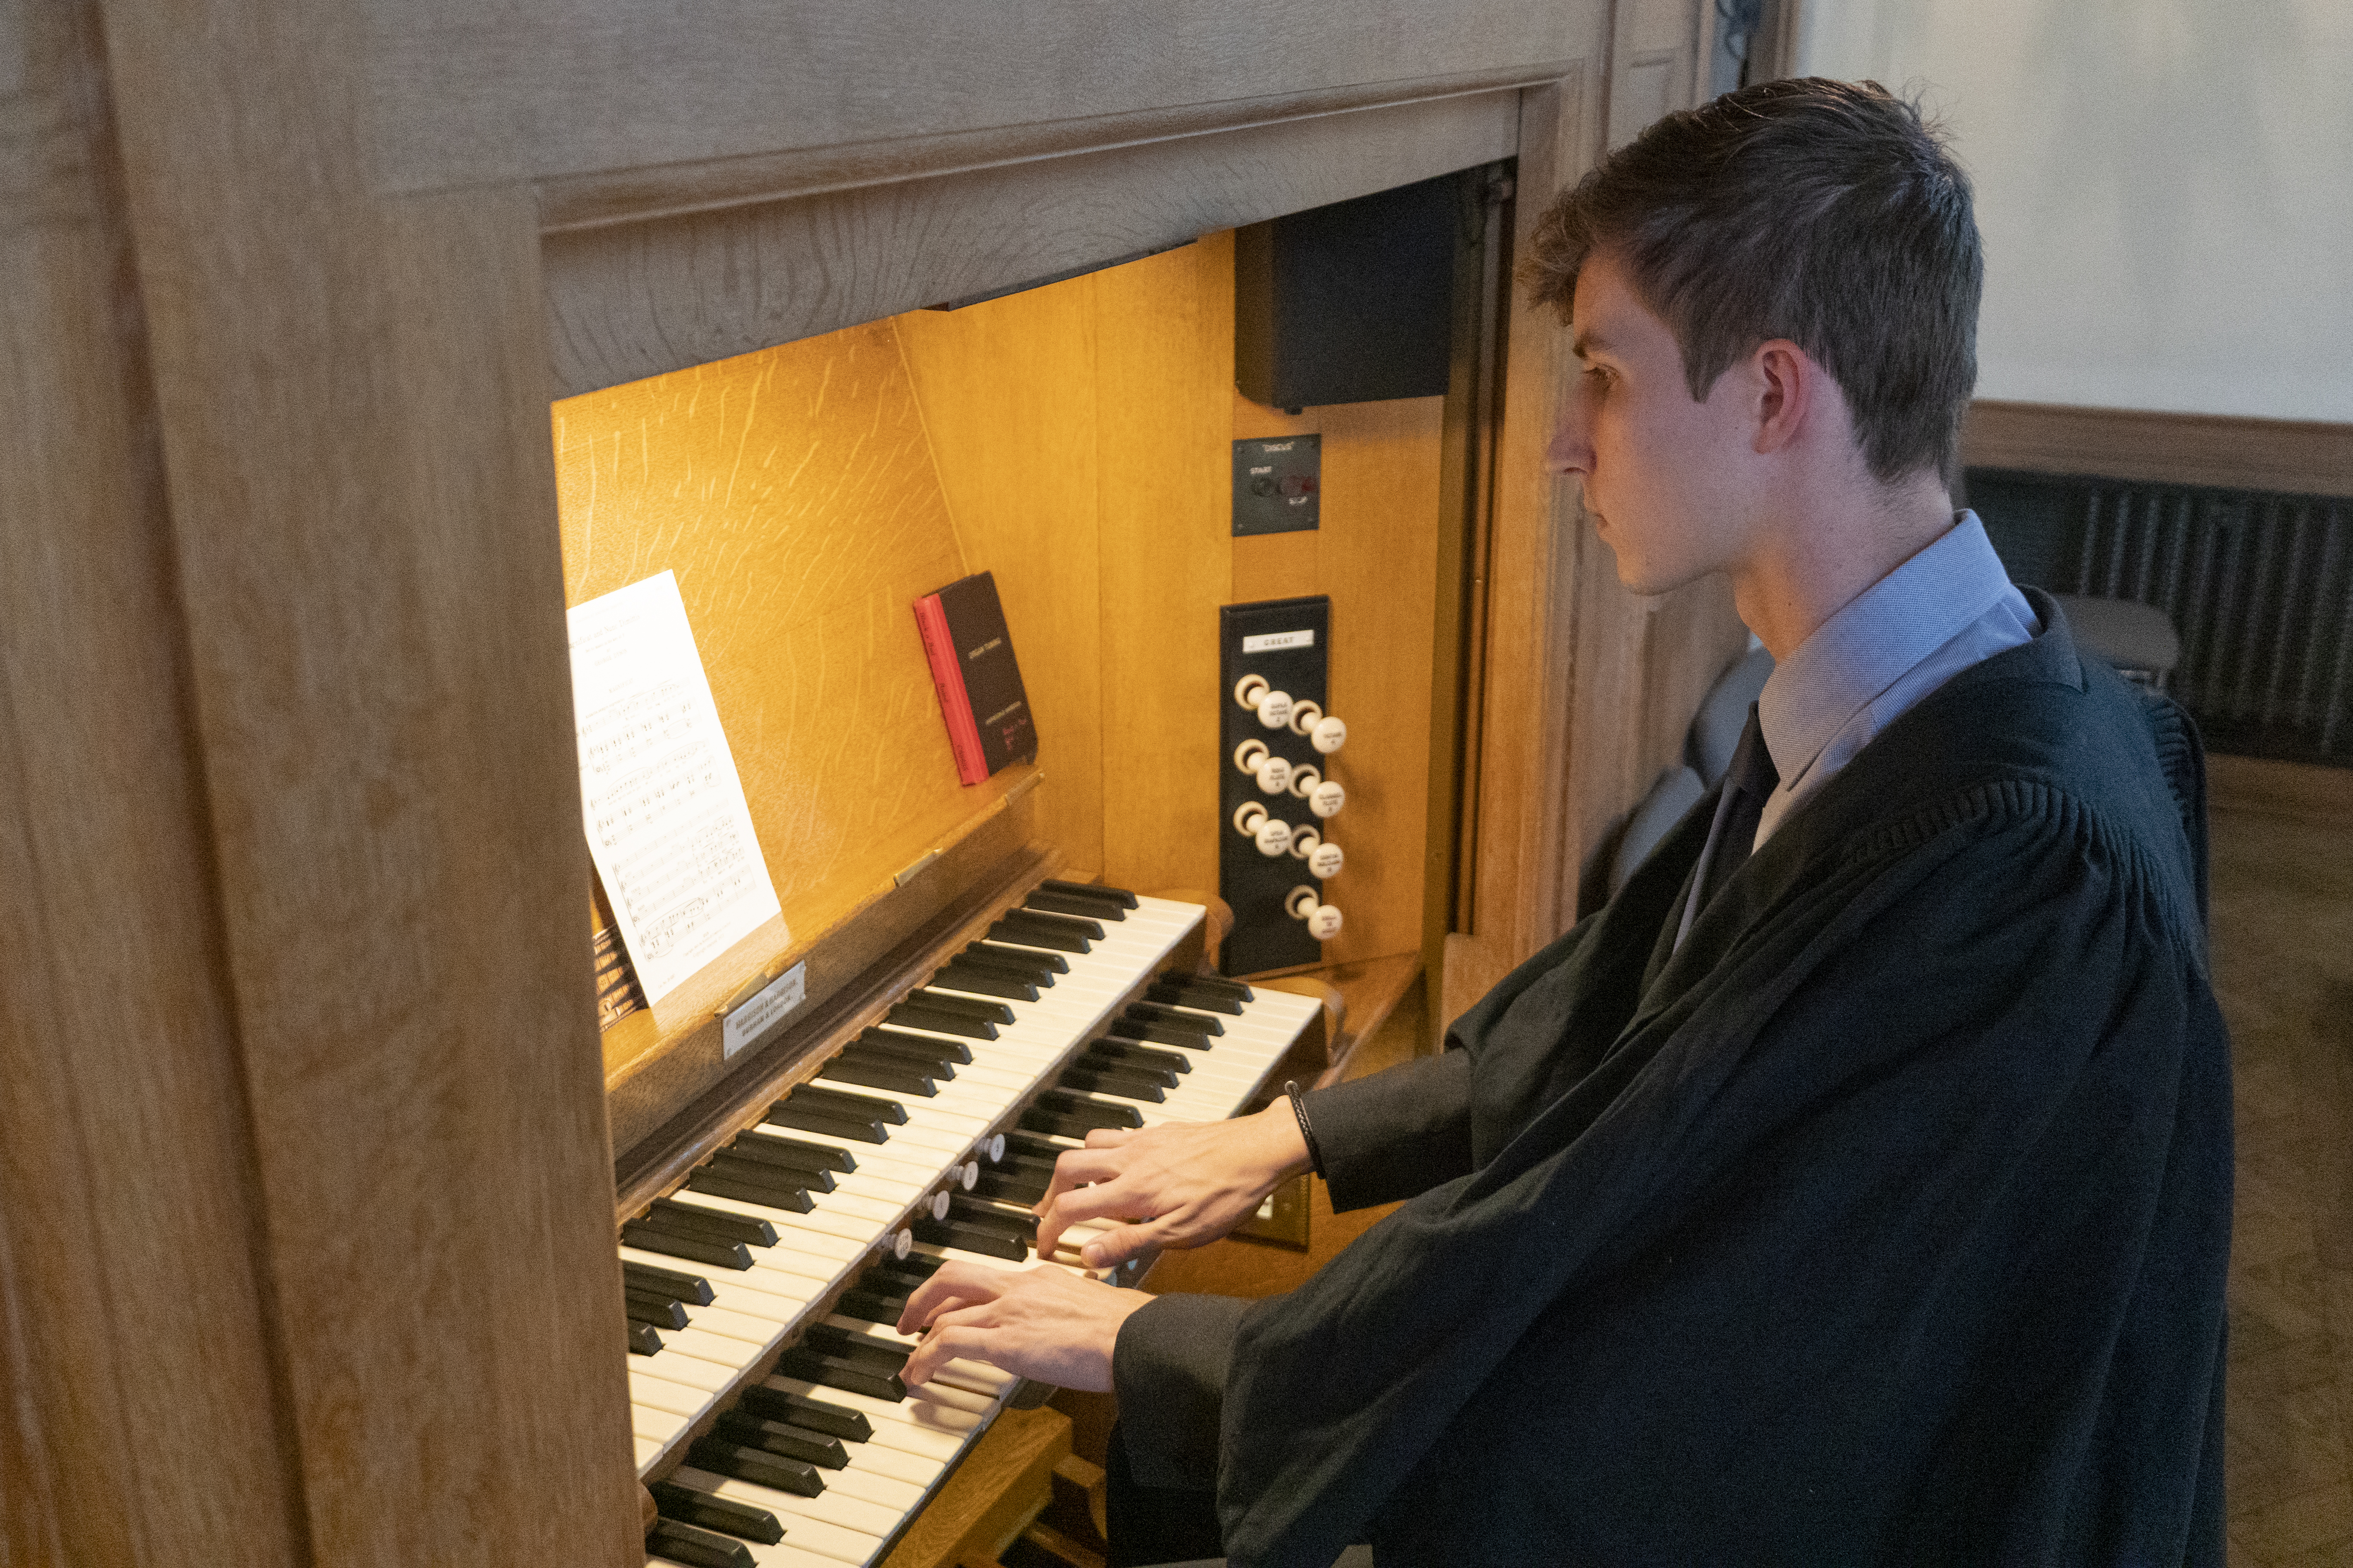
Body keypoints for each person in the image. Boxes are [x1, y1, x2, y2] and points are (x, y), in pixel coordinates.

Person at [898, 78, 2231, 1567]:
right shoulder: (1905, 703)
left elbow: (1687, 1384)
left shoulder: (2011, 873)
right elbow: (1634, 1047)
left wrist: (1159, 1347)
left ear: (1773, 393)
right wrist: (1287, 1136)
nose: (1560, 443)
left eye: (1603, 373)